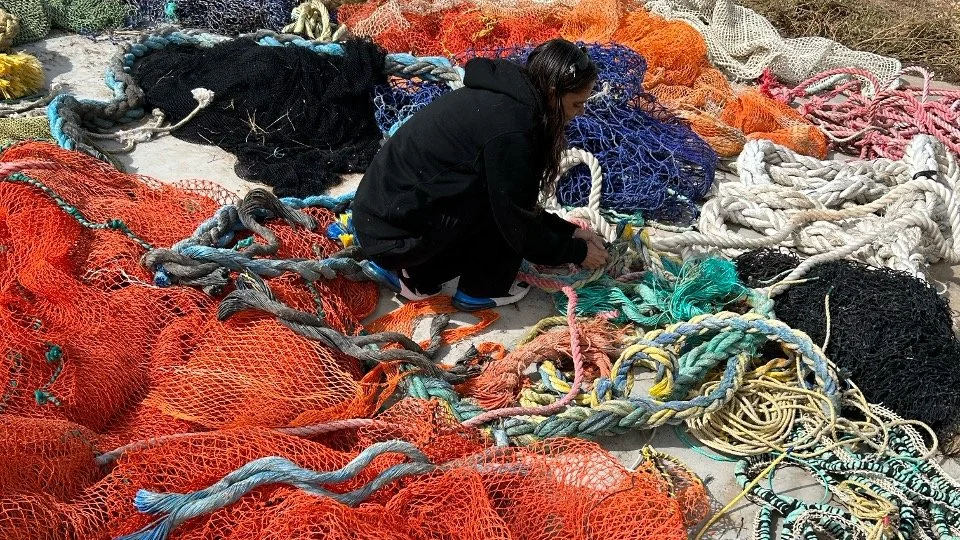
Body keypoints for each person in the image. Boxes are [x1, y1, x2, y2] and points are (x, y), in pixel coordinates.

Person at [352, 39, 610, 311]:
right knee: (499, 210)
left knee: (496, 193)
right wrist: (578, 253)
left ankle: (418, 272)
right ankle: (477, 287)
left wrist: (570, 231)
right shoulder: (513, 131)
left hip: (380, 215)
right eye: (576, 104)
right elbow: (517, 224)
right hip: (393, 237)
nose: (581, 112)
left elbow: (518, 198)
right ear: (554, 93)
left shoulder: (505, 95)